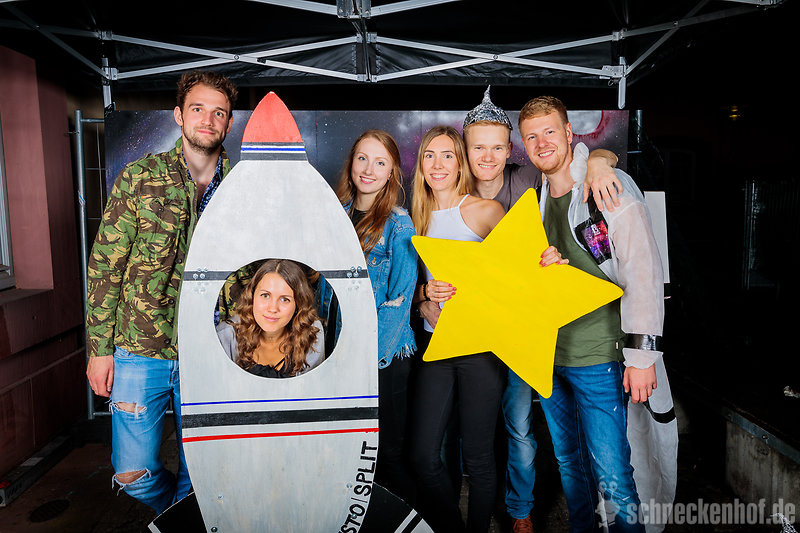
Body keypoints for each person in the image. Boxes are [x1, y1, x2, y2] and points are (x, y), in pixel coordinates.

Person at [453, 87, 624, 533]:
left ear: (511, 148)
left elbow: (583, 158)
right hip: (471, 328)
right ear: (465, 149)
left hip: (526, 329)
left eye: (497, 147)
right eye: (478, 147)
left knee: (520, 426)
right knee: (471, 425)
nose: (488, 157)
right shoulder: (452, 186)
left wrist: (601, 160)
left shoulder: (529, 178)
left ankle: (521, 509)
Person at [519, 95, 673, 533]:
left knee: (613, 476)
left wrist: (642, 358)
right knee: (571, 464)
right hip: (552, 358)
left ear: (569, 133)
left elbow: (643, 269)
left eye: (550, 131)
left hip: (600, 358)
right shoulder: (536, 196)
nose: (542, 143)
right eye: (531, 136)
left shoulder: (606, 185)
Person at [85, 71, 237, 514]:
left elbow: (252, 273)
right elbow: (105, 268)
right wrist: (99, 350)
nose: (208, 120)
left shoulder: (240, 188)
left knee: (204, 473)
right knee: (131, 474)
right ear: (178, 116)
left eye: (219, 113)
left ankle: (187, 519)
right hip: (139, 350)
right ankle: (181, 517)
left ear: (228, 123)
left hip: (210, 350)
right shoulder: (140, 178)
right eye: (198, 109)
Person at [409, 125, 561, 533]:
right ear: (420, 165)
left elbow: (524, 273)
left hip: (481, 351)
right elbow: (408, 288)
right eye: (429, 155)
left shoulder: (486, 211)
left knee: (478, 457)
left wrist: (547, 260)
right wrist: (423, 298)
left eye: (447, 155)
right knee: (424, 455)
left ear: (460, 163)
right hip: (436, 346)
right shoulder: (414, 218)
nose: (438, 164)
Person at [333, 130, 418, 503]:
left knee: (388, 456)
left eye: (380, 162)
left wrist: (365, 358)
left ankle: (409, 521)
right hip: (339, 352)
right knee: (351, 452)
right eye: (362, 159)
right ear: (351, 163)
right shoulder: (334, 214)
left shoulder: (399, 224)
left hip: (383, 356)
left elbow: (400, 300)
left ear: (392, 172)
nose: (368, 170)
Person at [216, 259, 325, 377]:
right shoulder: (226, 335)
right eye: (265, 295)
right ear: (252, 296)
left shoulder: (312, 333)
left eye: (285, 299)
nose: (273, 308)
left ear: (298, 304)